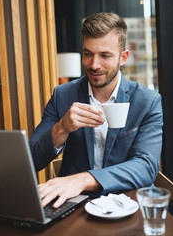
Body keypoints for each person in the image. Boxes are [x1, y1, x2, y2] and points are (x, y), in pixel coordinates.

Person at [29, 12, 163, 208]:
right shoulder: (62, 96)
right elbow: (31, 160)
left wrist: (83, 179)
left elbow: (146, 167)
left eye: (105, 55)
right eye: (88, 54)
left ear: (123, 57)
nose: (94, 65)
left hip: (128, 205)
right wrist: (62, 128)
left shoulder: (147, 101)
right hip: (74, 208)